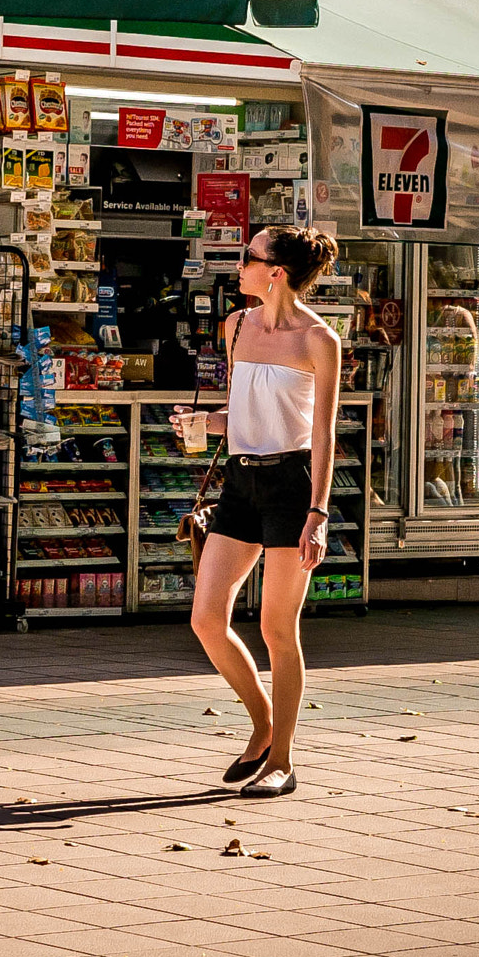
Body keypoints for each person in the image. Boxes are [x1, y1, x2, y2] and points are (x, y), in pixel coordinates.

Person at [175, 225, 341, 798]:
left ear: (276, 272)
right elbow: (243, 414)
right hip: (240, 483)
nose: (238, 265)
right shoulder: (237, 325)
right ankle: (265, 724)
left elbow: (322, 434)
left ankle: (283, 761)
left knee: (276, 627)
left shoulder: (319, 340)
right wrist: (201, 422)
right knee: (205, 618)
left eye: (248, 257)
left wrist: (318, 513)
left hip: (292, 487)